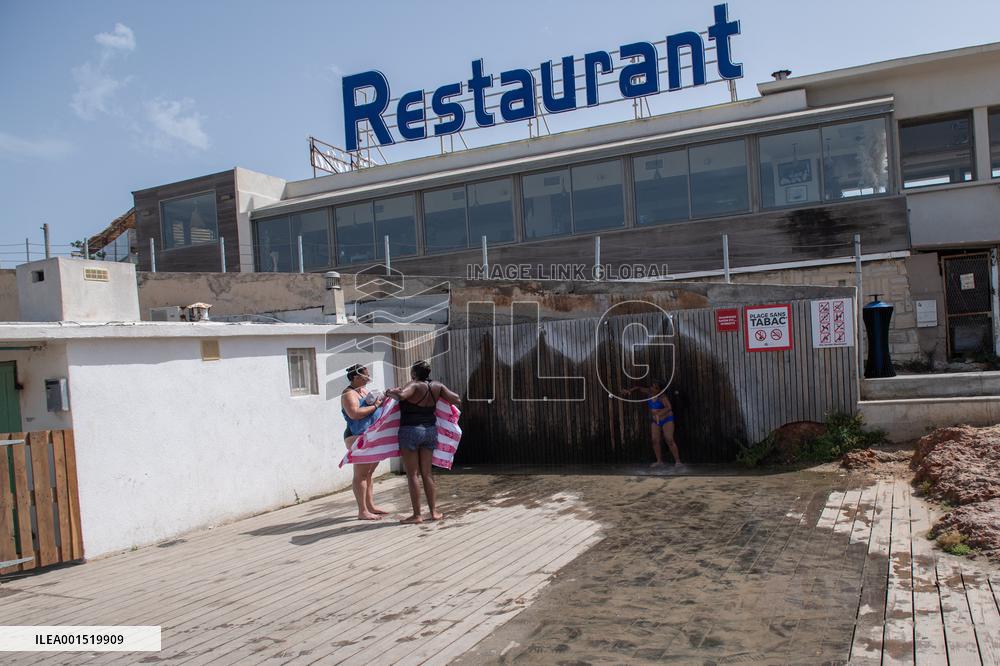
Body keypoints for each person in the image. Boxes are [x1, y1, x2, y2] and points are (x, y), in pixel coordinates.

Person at [385, 360, 461, 524]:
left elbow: (401, 396)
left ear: (414, 374)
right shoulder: (437, 386)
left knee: (412, 474)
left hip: (410, 431)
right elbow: (456, 399)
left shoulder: (414, 385)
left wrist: (389, 392)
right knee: (427, 473)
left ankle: (417, 515)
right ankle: (434, 512)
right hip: (430, 432)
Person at [341, 363, 387, 520]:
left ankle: (370, 506)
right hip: (355, 436)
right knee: (360, 474)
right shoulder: (348, 394)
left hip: (370, 435)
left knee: (369, 473)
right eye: (365, 376)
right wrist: (375, 406)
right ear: (355, 377)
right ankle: (362, 511)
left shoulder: (363, 391)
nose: (368, 379)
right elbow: (354, 414)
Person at [623, 379, 683, 468]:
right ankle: (659, 461)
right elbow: (639, 388)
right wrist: (629, 391)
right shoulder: (650, 393)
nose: (652, 389)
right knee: (655, 440)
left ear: (660, 390)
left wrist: (659, 413)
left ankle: (678, 462)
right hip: (656, 420)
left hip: (667, 419)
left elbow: (669, 407)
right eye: (652, 386)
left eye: (655, 388)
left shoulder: (662, 397)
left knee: (669, 439)